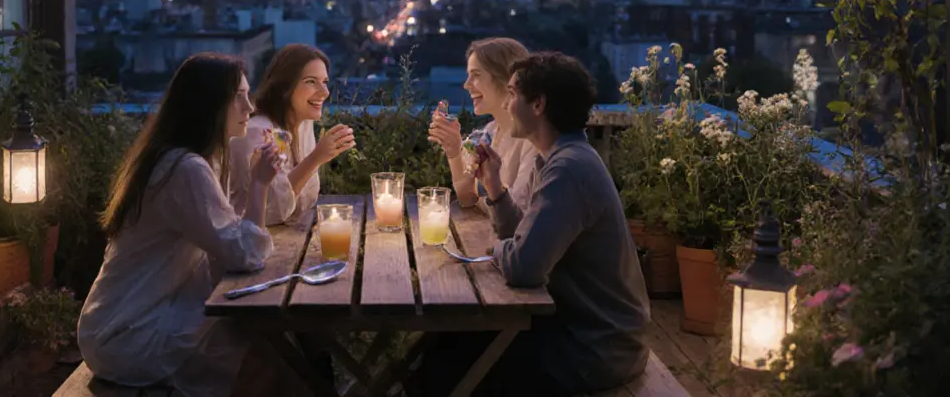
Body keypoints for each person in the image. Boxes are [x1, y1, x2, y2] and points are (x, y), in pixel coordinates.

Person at [412, 52, 650, 396]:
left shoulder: (568, 169)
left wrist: (497, 250)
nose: (507, 105)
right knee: (445, 344)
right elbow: (524, 236)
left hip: (593, 348)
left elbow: (525, 267)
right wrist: (494, 187)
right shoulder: (556, 158)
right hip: (582, 332)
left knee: (447, 364)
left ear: (537, 104)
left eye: (512, 94)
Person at [77, 53, 285, 397]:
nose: (250, 106)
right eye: (239, 96)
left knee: (266, 347)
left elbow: (228, 241)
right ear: (209, 105)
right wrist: (260, 184)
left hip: (118, 322)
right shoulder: (185, 168)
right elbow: (244, 253)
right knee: (264, 353)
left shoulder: (181, 158)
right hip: (129, 334)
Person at [228, 44, 355, 225]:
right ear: (284, 87)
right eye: (311, 81)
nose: (324, 92)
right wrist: (315, 158)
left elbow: (304, 202)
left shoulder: (303, 124)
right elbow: (271, 212)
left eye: (325, 82)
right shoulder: (258, 132)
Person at [427, 38, 540, 211]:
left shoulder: (534, 139)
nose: (466, 85)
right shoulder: (490, 133)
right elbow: (466, 198)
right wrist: (454, 151)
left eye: (476, 75)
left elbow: (518, 212)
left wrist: (479, 201)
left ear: (507, 78)